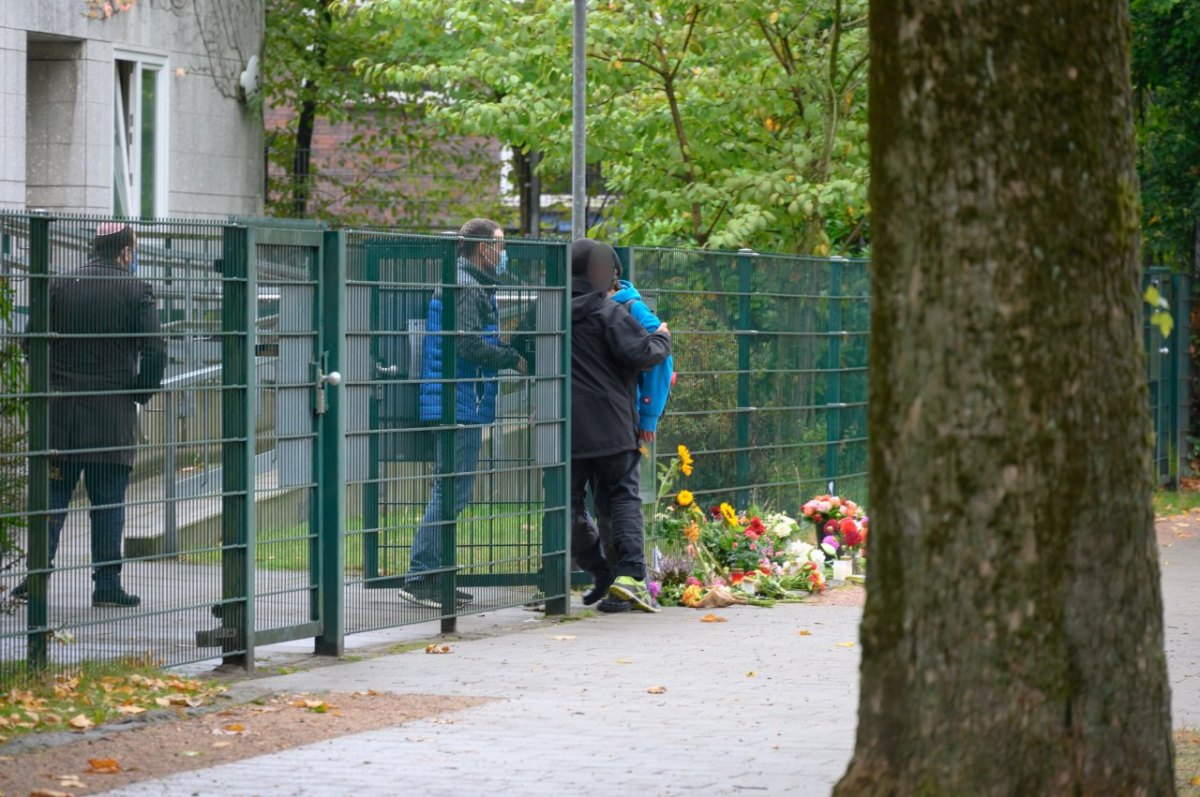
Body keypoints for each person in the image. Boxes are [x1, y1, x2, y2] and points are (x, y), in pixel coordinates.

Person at [12, 222, 166, 608]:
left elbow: (30, 341)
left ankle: (36, 576)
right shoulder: (136, 290)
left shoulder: (59, 284)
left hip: (60, 415)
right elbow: (156, 351)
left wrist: (53, 381)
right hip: (111, 415)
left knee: (51, 498)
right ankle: (107, 584)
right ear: (126, 252)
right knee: (108, 502)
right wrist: (139, 391)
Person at [399, 218, 528, 609]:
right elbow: (468, 344)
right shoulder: (467, 287)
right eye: (501, 246)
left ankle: (434, 574)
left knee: (450, 489)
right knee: (451, 490)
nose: (504, 254)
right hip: (458, 402)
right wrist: (512, 358)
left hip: (455, 399)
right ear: (484, 248)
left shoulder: (463, 281)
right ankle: (421, 575)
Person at [570, 239, 671, 613]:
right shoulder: (609, 311)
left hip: (564, 427)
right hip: (612, 424)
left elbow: (524, 351)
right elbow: (646, 354)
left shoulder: (548, 311)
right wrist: (662, 336)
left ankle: (596, 571)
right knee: (621, 498)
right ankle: (629, 577)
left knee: (568, 504)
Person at [595, 262, 675, 614]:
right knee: (604, 500)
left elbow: (661, 360)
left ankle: (629, 578)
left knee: (619, 496)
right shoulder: (595, 304)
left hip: (624, 416)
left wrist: (648, 413)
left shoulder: (631, 307)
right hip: (602, 415)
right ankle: (617, 579)